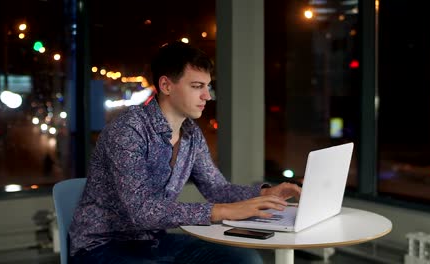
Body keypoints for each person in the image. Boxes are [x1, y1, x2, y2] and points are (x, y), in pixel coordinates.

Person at [69, 41, 301, 264]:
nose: (207, 96)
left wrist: (267, 192)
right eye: (197, 86)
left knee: (243, 258)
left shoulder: (191, 134)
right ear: (166, 85)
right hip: (101, 247)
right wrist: (224, 211)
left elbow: (217, 189)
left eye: (207, 86)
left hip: (153, 241)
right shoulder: (128, 130)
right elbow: (142, 211)